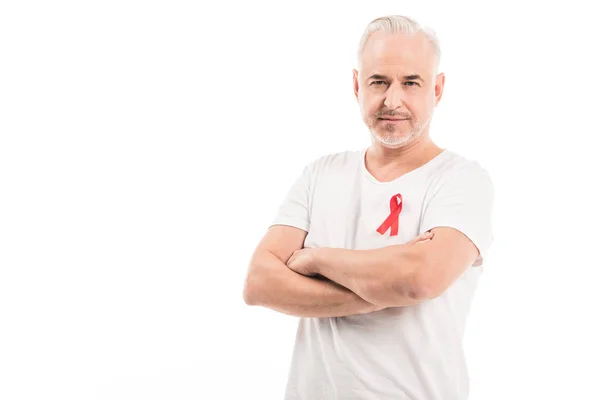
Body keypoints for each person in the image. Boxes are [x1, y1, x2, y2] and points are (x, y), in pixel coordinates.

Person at [243, 14, 495, 400]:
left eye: (411, 82)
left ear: (438, 89)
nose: (392, 100)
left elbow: (420, 280)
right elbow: (259, 283)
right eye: (379, 82)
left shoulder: (462, 180)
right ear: (358, 85)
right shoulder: (320, 175)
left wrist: (317, 260)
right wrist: (386, 286)